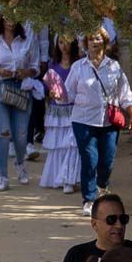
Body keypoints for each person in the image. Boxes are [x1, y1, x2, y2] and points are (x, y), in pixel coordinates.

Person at [66, 26, 132, 215]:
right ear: (86, 43)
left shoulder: (114, 67)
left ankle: (102, 186)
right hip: (83, 120)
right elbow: (67, 94)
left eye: (98, 38)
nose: (94, 42)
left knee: (107, 160)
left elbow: (125, 94)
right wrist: (56, 94)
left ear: (105, 42)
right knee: (89, 159)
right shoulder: (78, 67)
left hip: (109, 121)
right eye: (91, 39)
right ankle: (89, 199)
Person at [0, 15, 38, 191]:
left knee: (21, 135)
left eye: (14, 16)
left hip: (21, 89)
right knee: (3, 133)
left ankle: (20, 163)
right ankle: (3, 176)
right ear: (1, 20)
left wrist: (25, 72)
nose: (10, 21)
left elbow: (36, 67)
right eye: (7, 17)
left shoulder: (26, 41)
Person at [41, 35, 81, 193]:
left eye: (68, 42)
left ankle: (69, 179)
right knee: (58, 146)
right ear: (57, 44)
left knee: (72, 145)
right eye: (61, 42)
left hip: (74, 109)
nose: (64, 46)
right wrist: (50, 92)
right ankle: (57, 177)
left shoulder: (79, 64)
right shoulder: (52, 64)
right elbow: (46, 87)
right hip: (56, 111)